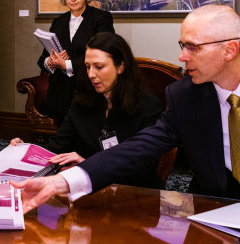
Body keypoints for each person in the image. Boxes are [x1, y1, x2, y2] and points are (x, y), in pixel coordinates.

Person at [13, 4, 240, 213]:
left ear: (229, 49)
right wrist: (64, 180)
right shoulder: (185, 96)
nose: (182, 56)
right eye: (182, 44)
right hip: (229, 210)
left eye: (193, 47)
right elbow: (138, 148)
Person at [12, 32, 162, 187]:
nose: (91, 74)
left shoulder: (148, 107)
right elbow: (56, 148)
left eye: (99, 67)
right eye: (87, 67)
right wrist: (24, 150)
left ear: (121, 67)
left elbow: (143, 171)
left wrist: (87, 165)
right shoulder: (81, 103)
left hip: (136, 195)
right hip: (91, 193)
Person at [38, 0, 115, 125]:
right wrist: (51, 61)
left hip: (89, 91)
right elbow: (42, 59)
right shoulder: (58, 22)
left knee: (88, 142)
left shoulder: (101, 18)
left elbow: (105, 54)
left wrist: (66, 65)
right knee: (62, 142)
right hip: (60, 94)